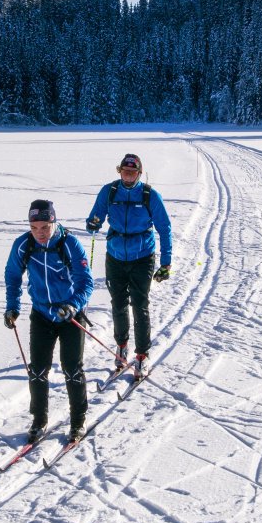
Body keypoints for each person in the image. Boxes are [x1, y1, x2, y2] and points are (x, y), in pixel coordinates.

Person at [4, 198, 93, 444]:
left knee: (72, 369)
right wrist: (12, 307)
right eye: (34, 228)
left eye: (45, 227)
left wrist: (73, 305)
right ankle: (39, 420)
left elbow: (86, 281)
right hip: (42, 314)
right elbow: (12, 276)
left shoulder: (70, 244)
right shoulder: (23, 245)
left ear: (54, 221)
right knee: (38, 370)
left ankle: (78, 421)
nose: (40, 233)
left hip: (70, 316)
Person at [85, 152, 172, 378]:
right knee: (118, 304)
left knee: (140, 304)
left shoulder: (150, 195)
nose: (128, 175)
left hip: (143, 257)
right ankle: (121, 345)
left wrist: (166, 263)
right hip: (115, 256)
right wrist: (92, 223)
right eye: (125, 171)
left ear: (139, 173)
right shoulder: (110, 191)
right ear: (120, 171)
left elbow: (165, 229)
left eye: (133, 172)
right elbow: (95, 218)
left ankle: (142, 355)